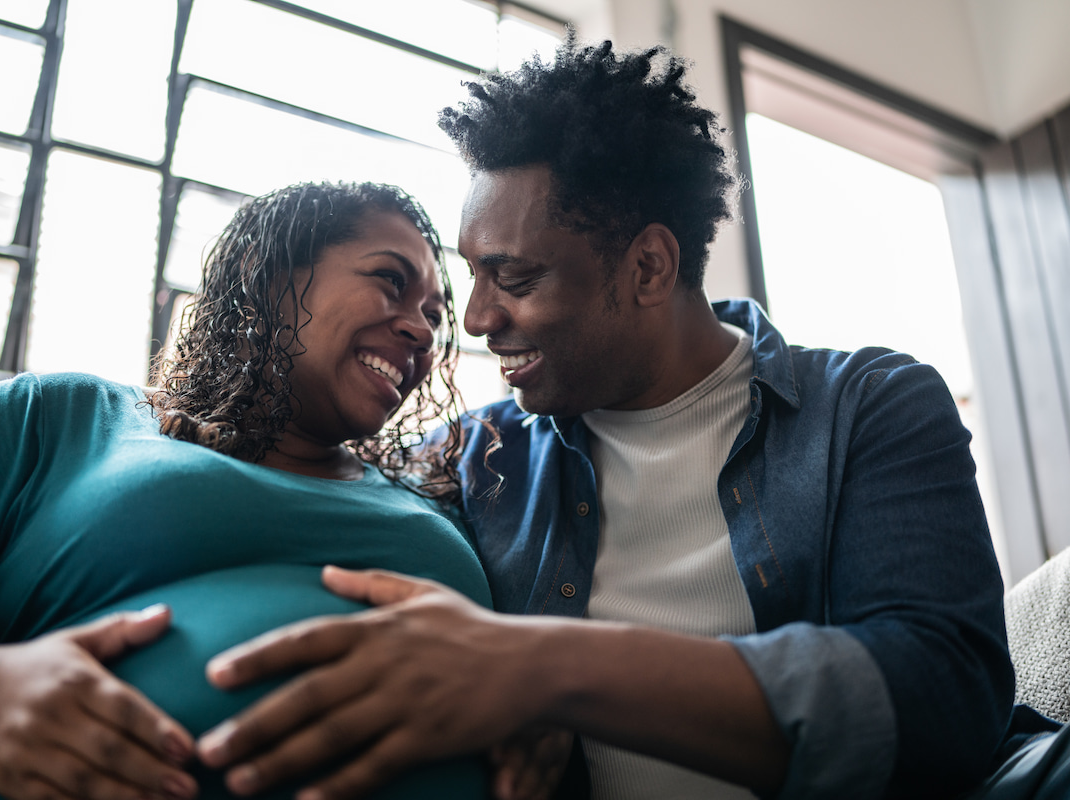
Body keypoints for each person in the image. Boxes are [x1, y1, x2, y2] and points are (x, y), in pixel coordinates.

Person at [184, 35, 1066, 800]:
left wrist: (541, 672)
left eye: (516, 278)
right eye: (475, 278)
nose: (479, 318)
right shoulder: (467, 458)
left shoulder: (868, 407)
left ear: (648, 268)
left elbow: (941, 700)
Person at [0, 182, 507, 800]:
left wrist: (529, 713)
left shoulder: (438, 505)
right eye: (391, 281)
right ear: (271, 277)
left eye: (432, 316)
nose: (423, 333)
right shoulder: (63, 419)